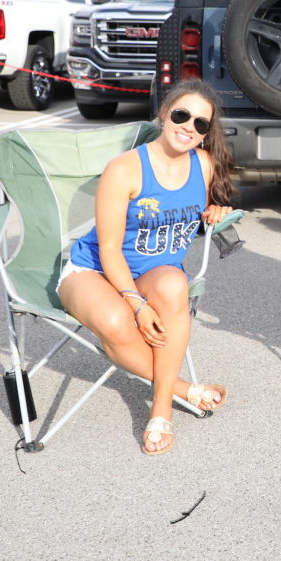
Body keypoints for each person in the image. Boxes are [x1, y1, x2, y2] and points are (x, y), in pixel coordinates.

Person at [57, 79, 236, 455]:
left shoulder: (204, 165)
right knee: (116, 323)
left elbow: (192, 216)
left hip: (155, 273)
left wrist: (212, 212)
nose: (189, 127)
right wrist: (136, 304)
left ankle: (160, 410)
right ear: (163, 113)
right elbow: (109, 248)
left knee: (174, 286)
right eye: (182, 115)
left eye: (201, 123)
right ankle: (182, 390)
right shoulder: (125, 169)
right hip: (94, 269)